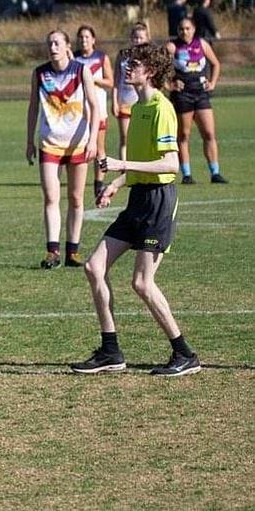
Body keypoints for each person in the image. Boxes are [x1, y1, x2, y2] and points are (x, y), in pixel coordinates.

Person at [71, 42, 200, 377]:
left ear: (151, 72)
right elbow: (145, 163)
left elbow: (170, 164)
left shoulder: (161, 108)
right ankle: (111, 351)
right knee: (94, 267)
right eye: (127, 62)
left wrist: (121, 164)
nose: (127, 67)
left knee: (142, 283)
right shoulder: (138, 108)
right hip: (138, 199)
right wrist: (117, 183)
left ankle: (184, 354)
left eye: (135, 64)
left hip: (158, 202)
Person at [25, 30, 98, 269]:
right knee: (50, 197)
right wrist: (29, 141)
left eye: (57, 43)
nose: (52, 47)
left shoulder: (81, 71)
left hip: (78, 144)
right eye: (49, 43)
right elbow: (33, 107)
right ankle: (52, 251)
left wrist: (93, 140)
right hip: (50, 143)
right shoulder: (40, 73)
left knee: (76, 198)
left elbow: (94, 106)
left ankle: (72, 252)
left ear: (67, 46)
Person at [167, 17, 227, 184]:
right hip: (182, 96)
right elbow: (159, 67)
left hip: (201, 94)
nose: (184, 32)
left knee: (209, 133)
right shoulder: (172, 46)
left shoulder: (202, 44)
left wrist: (212, 83)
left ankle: (215, 173)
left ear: (193, 29)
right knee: (183, 135)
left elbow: (216, 64)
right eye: (181, 29)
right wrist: (169, 84)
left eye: (187, 28)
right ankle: (187, 174)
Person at [72, 25, 114, 198]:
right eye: (81, 37)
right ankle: (76, 180)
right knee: (78, 147)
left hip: (98, 109)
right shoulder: (73, 58)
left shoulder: (101, 58)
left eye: (87, 37)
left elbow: (110, 82)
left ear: (93, 40)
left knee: (98, 147)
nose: (84, 40)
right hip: (79, 110)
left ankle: (99, 182)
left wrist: (92, 80)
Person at [112, 22, 152, 161]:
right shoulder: (123, 55)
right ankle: (124, 167)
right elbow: (116, 80)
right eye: (135, 37)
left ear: (147, 39)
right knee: (125, 138)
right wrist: (115, 101)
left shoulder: (148, 57)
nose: (138, 41)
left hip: (142, 102)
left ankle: (143, 164)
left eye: (141, 38)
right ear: (131, 38)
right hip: (125, 102)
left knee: (143, 137)